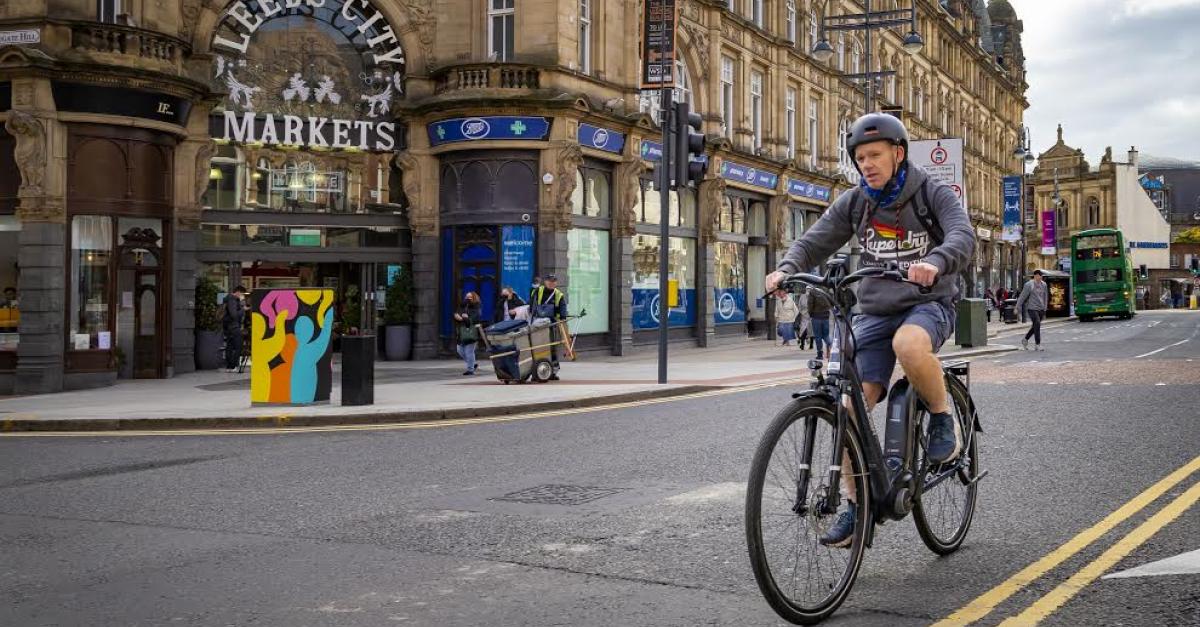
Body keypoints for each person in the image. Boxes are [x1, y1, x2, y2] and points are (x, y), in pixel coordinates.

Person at [764, 112, 975, 547]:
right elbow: (815, 240)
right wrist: (786, 268)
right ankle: (858, 506)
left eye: (875, 155)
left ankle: (941, 419)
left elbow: (961, 235)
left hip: (927, 303)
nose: (867, 165)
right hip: (874, 311)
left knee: (910, 344)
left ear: (898, 154)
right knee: (848, 405)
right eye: (860, 158)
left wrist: (934, 263)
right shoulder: (857, 201)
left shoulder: (930, 193)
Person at [531, 274, 568, 380]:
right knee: (538, 347)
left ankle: (553, 372)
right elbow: (532, 307)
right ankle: (536, 370)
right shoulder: (538, 291)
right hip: (537, 325)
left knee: (551, 347)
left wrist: (562, 318)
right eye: (549, 281)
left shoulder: (558, 294)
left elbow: (562, 309)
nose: (551, 283)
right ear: (545, 281)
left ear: (556, 283)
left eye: (553, 281)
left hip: (551, 325)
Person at [1015, 270, 1048, 351]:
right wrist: (1017, 307)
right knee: (1037, 323)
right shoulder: (1029, 285)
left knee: (1035, 326)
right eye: (1038, 276)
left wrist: (1045, 307)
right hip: (1032, 308)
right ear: (1035, 276)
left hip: (1041, 308)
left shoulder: (1044, 285)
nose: (1039, 278)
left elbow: (1045, 296)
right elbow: (1022, 296)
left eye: (1041, 277)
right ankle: (1038, 344)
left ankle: (1025, 339)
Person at [453, 291, 482, 375]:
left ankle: (470, 370)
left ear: (474, 298)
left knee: (469, 351)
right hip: (461, 332)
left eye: (469, 297)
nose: (467, 299)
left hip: (471, 332)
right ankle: (472, 364)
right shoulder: (463, 306)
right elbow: (457, 314)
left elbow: (474, 319)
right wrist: (457, 316)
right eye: (466, 297)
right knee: (460, 350)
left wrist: (464, 319)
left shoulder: (476, 307)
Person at [222, 285, 247, 373]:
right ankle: (233, 366)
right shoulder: (232, 300)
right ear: (238, 292)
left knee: (230, 346)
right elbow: (234, 315)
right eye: (242, 294)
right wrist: (243, 310)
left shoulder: (229, 299)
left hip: (229, 327)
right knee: (238, 346)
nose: (242, 296)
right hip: (233, 327)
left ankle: (229, 367)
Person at [807, 283, 832, 360]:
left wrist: (810, 314)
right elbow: (831, 301)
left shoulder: (813, 291)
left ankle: (820, 354)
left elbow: (810, 304)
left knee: (818, 336)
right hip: (826, 316)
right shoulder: (826, 290)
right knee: (826, 335)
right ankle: (833, 347)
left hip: (816, 316)